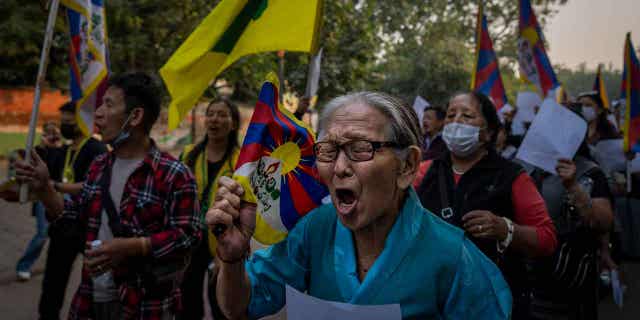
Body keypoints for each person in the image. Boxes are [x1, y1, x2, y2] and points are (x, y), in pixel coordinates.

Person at [206, 91, 512, 319]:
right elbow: (238, 307)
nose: (339, 167)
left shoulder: (453, 257)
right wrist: (232, 261)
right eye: (329, 150)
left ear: (407, 166)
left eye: (360, 149)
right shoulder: (316, 229)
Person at [15, 72, 201, 320]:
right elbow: (75, 219)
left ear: (135, 116)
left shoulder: (174, 174)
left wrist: (133, 247)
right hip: (90, 300)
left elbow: (188, 236)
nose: (99, 113)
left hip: (145, 307)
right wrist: (46, 189)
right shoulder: (99, 165)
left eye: (109, 104)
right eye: (101, 104)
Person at [414, 91, 557, 319]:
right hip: (434, 298)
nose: (456, 121)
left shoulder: (512, 176)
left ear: (488, 132)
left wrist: (505, 229)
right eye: (451, 115)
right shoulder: (424, 171)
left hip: (494, 301)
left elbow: (547, 239)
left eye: (467, 115)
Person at [528, 128, 614, 319]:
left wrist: (573, 186)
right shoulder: (526, 169)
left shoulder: (590, 172)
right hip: (533, 273)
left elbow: (603, 222)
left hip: (573, 272)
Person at [40, 102, 108, 320]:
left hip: (89, 226)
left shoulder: (96, 149)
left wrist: (56, 186)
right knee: (53, 282)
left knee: (97, 280)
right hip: (63, 223)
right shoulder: (62, 150)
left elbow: (92, 184)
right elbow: (44, 176)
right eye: (64, 119)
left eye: (70, 119)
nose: (65, 123)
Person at [177, 98, 240, 320]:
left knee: (222, 305)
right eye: (211, 113)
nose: (214, 119)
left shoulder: (241, 162)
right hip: (190, 241)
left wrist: (225, 258)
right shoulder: (188, 154)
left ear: (233, 124)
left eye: (222, 115)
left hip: (223, 242)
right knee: (186, 303)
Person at [15, 121, 63, 281]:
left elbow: (60, 169)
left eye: (54, 132)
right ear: (43, 135)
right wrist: (44, 148)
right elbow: (36, 172)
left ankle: (55, 266)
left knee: (61, 235)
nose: (52, 136)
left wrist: (57, 147)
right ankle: (24, 266)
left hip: (61, 195)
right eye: (49, 133)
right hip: (44, 196)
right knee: (43, 234)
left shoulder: (63, 150)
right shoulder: (38, 151)